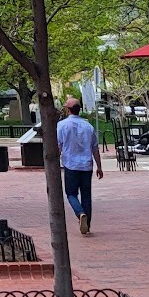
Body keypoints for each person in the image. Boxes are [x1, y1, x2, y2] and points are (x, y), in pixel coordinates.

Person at [55, 97, 103, 234]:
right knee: (86, 195)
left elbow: (59, 146)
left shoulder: (62, 125)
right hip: (86, 165)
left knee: (71, 193)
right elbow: (95, 148)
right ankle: (87, 224)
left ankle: (80, 213)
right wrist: (99, 166)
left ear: (68, 110)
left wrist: (54, 162)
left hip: (71, 165)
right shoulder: (88, 126)